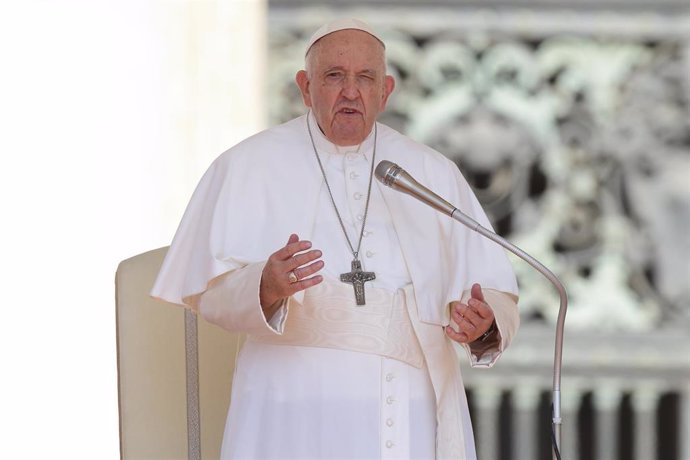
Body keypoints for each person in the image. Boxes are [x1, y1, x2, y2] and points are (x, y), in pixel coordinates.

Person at [151, 18, 519, 460]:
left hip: (405, 412)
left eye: (365, 78)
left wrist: (483, 325)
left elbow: (492, 291)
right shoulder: (248, 165)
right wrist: (265, 286)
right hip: (288, 412)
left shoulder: (430, 173)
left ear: (385, 91)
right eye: (334, 77)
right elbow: (206, 292)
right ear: (305, 88)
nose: (351, 91)